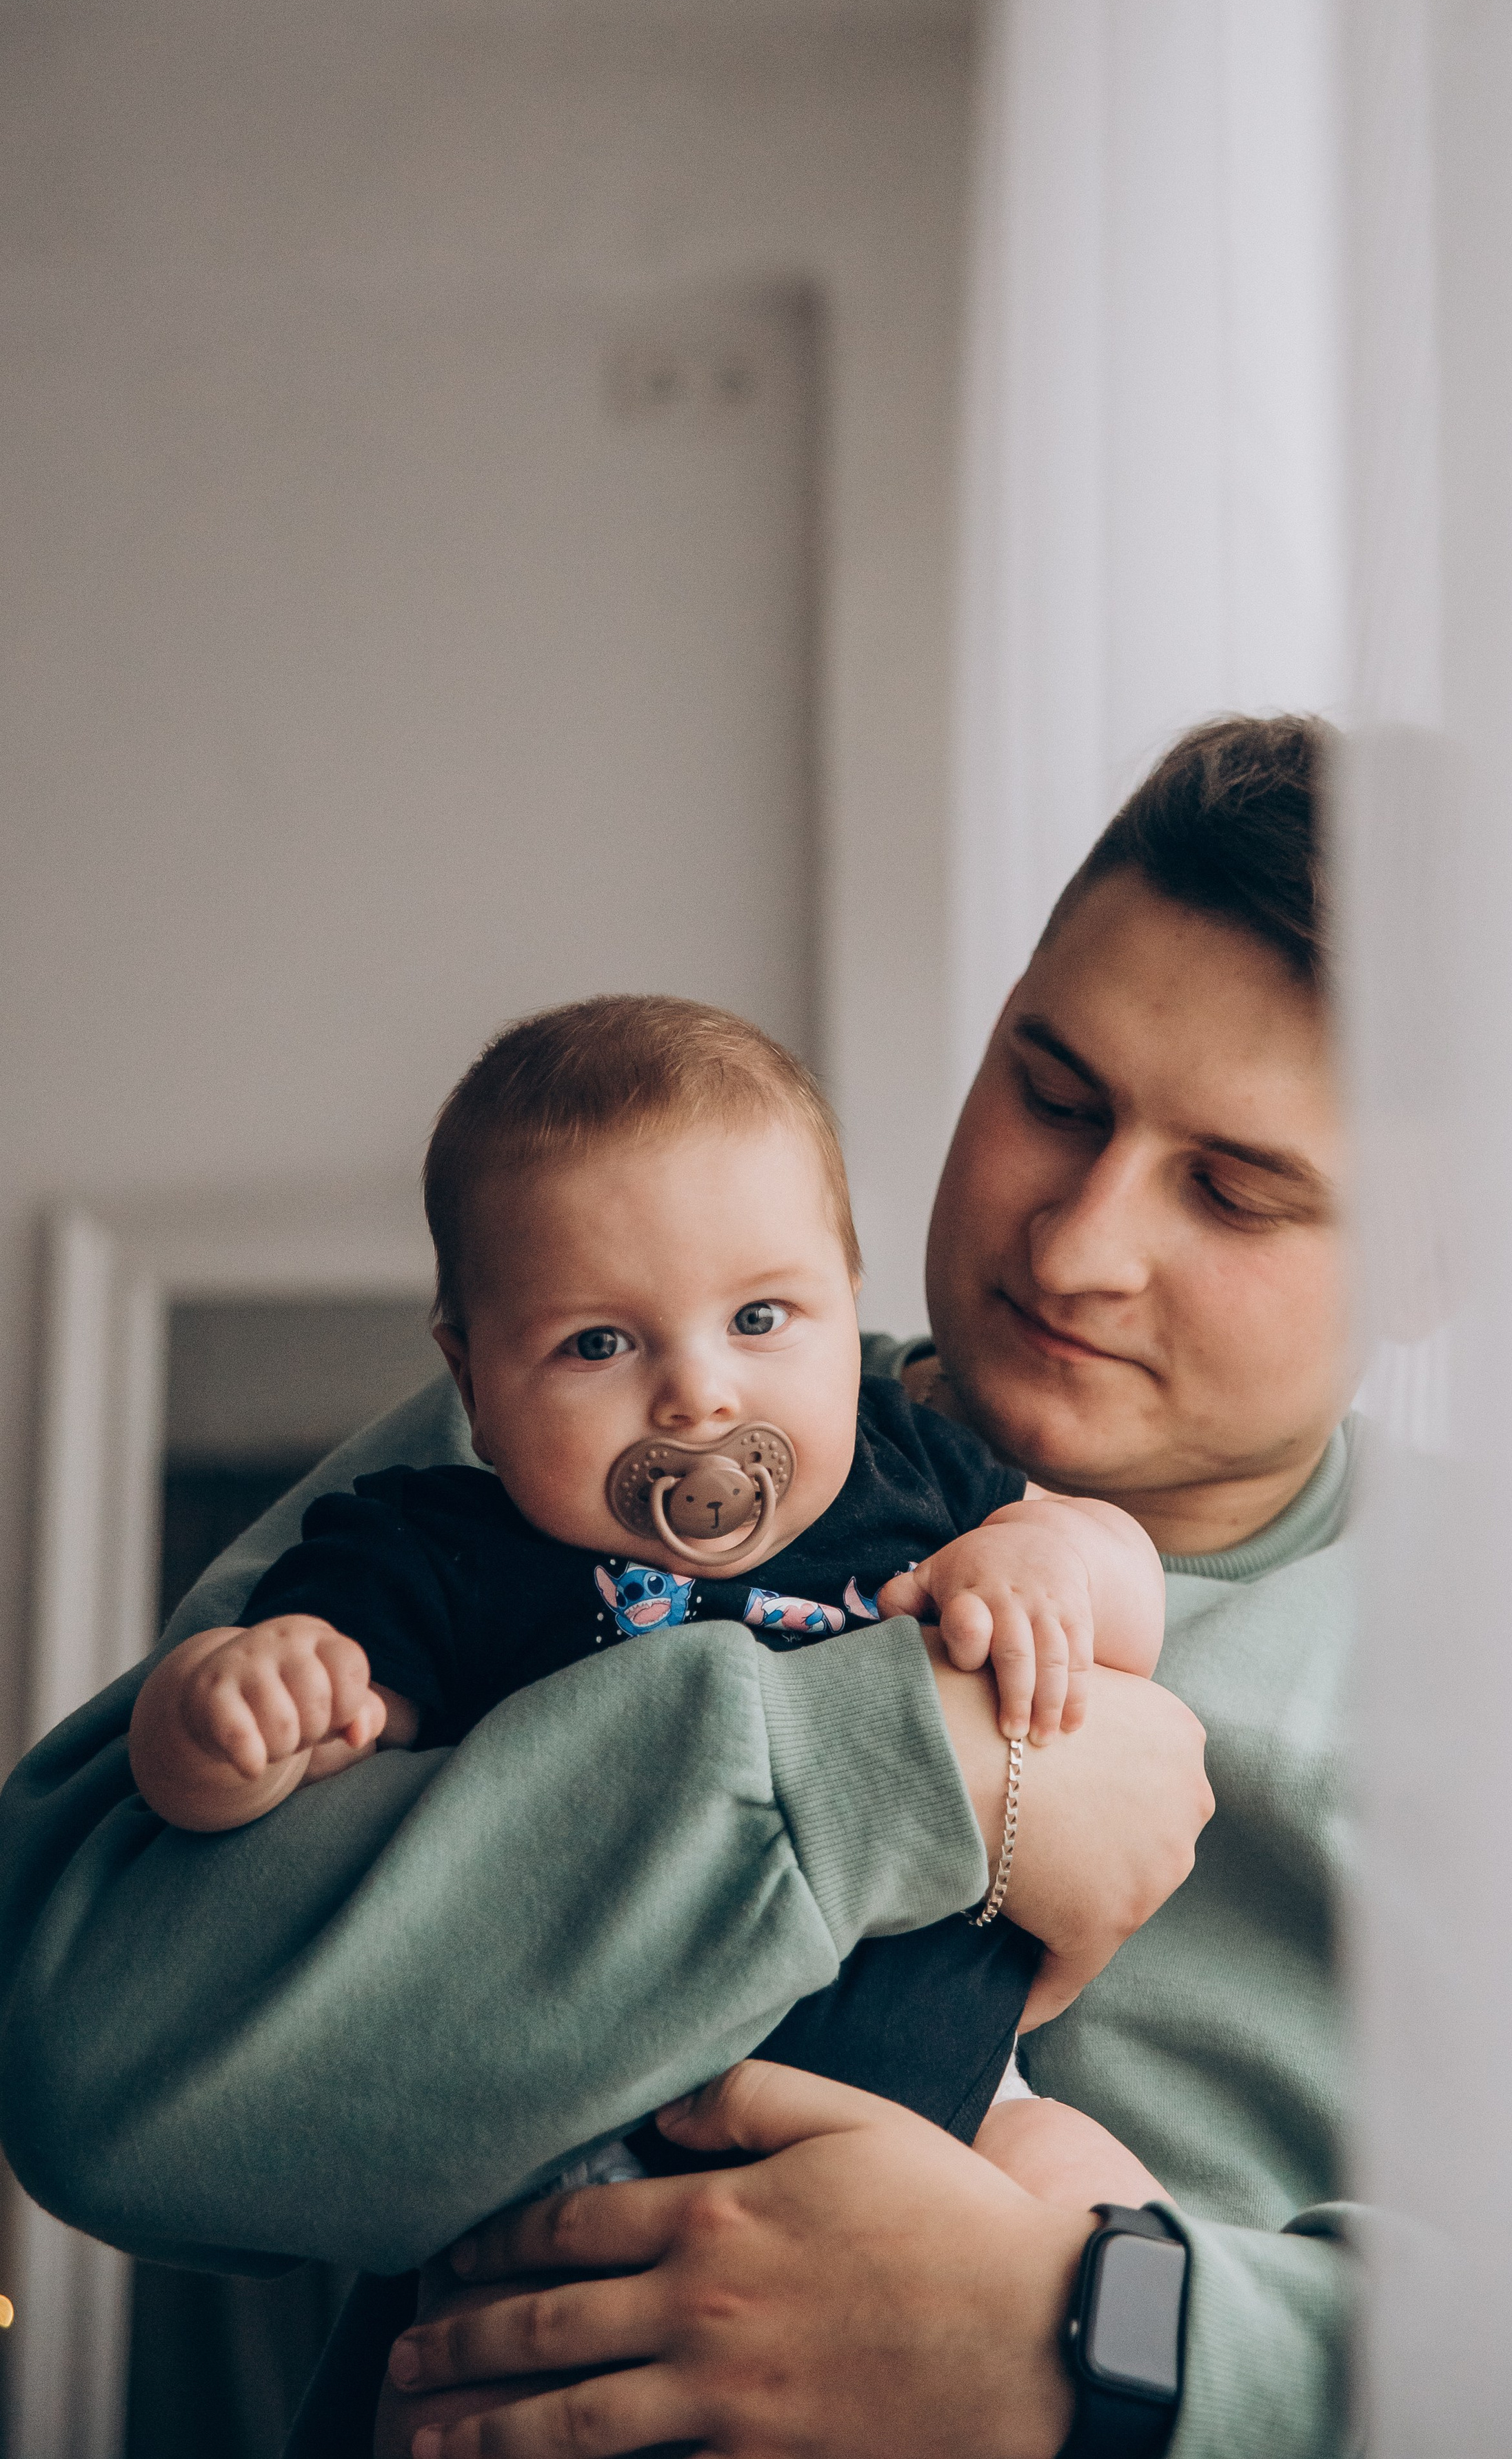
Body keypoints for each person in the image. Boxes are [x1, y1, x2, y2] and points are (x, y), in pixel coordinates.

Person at [0, 712, 1354, 2459]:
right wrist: (915, 1757)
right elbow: (99, 2059)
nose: (1074, 1244)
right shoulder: (555, 1460)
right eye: (1051, 1094)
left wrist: (1090, 2340)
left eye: (1236, 1191)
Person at [128, 993, 1173, 2202]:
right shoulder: (436, 1553)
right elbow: (207, 1790)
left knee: (1093, 2205)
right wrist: (231, 1710)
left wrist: (1050, 1556)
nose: (698, 1395)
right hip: (590, 2137)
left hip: (955, 2105)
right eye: (597, 1346)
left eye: (761, 1318)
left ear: (849, 1301)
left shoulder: (916, 1470)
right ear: (470, 1374)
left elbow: (1130, 1605)